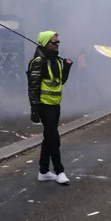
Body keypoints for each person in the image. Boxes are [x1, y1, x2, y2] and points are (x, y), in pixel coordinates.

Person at [27, 31, 73, 184]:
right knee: (54, 139)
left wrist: (67, 68)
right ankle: (59, 171)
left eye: (58, 42)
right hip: (44, 106)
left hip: (55, 105)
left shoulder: (56, 61)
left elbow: (61, 81)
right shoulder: (39, 61)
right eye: (53, 42)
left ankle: (44, 171)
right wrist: (34, 109)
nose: (57, 44)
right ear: (45, 43)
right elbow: (33, 87)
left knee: (48, 138)